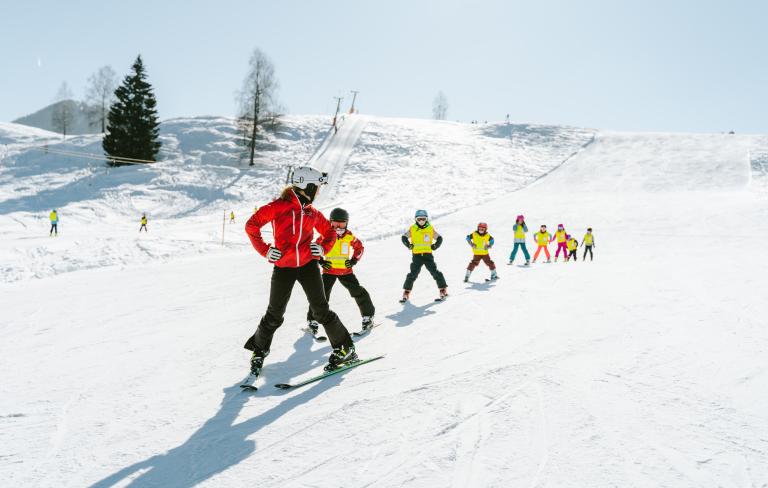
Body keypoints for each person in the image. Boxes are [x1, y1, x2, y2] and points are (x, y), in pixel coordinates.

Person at [242, 166, 357, 376]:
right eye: (317, 187)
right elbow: (251, 226)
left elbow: (330, 232)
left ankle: (345, 349)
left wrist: (323, 248)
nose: (319, 192)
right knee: (274, 315)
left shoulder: (312, 213)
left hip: (307, 266)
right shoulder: (278, 207)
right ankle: (259, 351)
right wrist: (266, 251)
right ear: (308, 186)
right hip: (283, 268)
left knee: (321, 310)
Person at [306, 207, 376, 334]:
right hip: (329, 271)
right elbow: (314, 249)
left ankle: (368, 317)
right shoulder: (325, 235)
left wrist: (354, 260)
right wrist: (321, 261)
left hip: (346, 271)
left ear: (346, 223)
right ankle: (313, 321)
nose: (338, 226)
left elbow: (359, 248)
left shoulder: (349, 237)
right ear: (330, 222)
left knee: (358, 292)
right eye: (335, 223)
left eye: (342, 223)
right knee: (320, 296)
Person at [400, 209, 448, 302]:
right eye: (419, 219)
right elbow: (404, 237)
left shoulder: (430, 228)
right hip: (416, 256)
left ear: (426, 219)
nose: (421, 221)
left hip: (427, 255)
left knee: (435, 272)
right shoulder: (413, 228)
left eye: (423, 219)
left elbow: (439, 238)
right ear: (416, 220)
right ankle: (406, 292)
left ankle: (443, 289)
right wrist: (408, 245)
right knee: (412, 274)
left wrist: (435, 246)